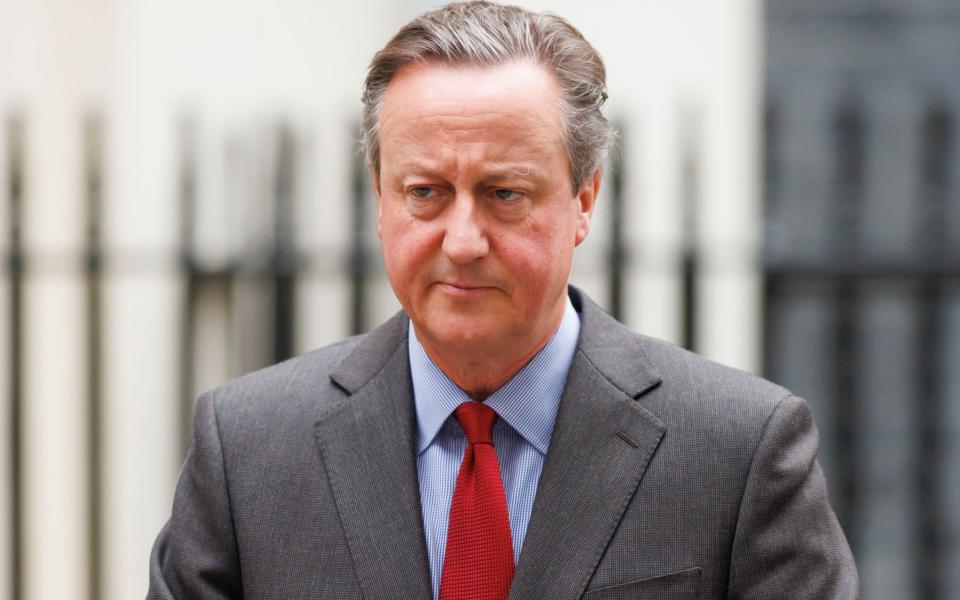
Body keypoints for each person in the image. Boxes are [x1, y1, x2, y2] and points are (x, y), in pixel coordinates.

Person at [148, 2, 858, 598]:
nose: (462, 240)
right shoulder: (248, 450)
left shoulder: (739, 452)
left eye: (504, 194)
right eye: (425, 192)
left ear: (585, 199)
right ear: (380, 199)